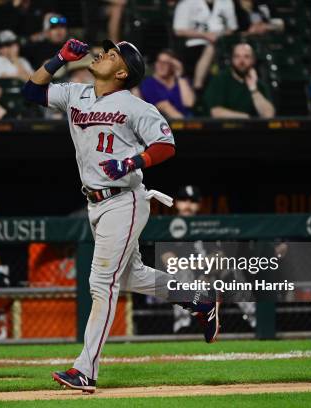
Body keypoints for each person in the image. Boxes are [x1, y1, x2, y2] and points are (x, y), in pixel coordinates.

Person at [22, 38, 219, 394]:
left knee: (101, 283)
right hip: (95, 203)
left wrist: (133, 161)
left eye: (111, 54)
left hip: (124, 200)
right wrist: (59, 59)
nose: (101, 54)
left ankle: (85, 370)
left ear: (122, 71)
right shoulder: (75, 94)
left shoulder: (133, 105)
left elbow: (166, 144)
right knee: (131, 275)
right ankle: (198, 300)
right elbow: (31, 93)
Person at [173, 0, 238, 90]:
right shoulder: (186, 3)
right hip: (194, 44)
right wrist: (205, 35)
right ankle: (197, 87)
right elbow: (178, 31)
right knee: (211, 48)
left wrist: (218, 35)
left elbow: (232, 28)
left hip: (222, 43)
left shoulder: (226, 2)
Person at [205, 42, 275, 118]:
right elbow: (215, 112)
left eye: (246, 57)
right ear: (232, 59)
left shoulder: (259, 85)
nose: (241, 61)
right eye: (237, 56)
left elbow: (268, 115)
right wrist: (247, 118)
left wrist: (254, 89)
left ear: (253, 60)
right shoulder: (220, 80)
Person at [139, 49, 195, 119]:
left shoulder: (182, 81)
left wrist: (180, 76)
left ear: (173, 66)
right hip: (163, 124)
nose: (161, 65)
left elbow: (189, 103)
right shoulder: (148, 83)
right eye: (159, 61)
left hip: (188, 120)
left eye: (166, 63)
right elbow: (162, 106)